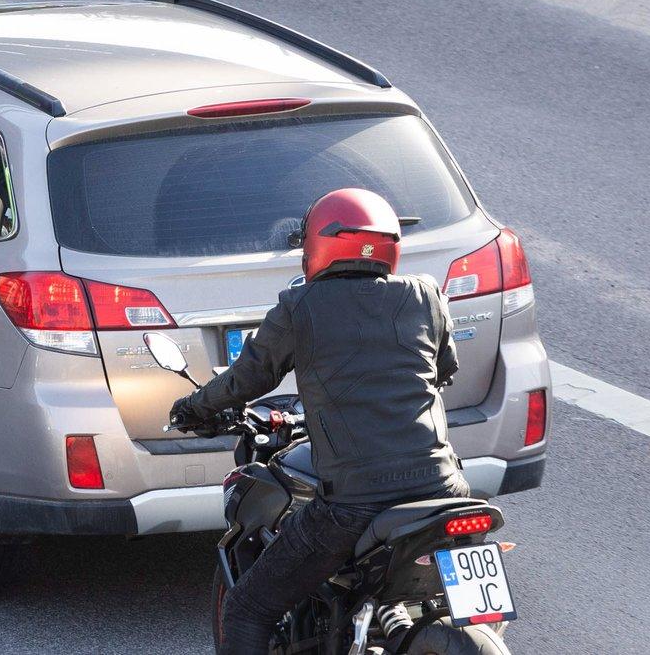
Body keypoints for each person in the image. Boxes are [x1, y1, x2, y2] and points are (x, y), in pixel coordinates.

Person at [169, 188, 470, 655]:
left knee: (247, 607)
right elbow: (443, 371)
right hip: (446, 490)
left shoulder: (300, 307)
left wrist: (193, 408)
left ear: (318, 245)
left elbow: (246, 379)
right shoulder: (425, 295)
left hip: (357, 505)